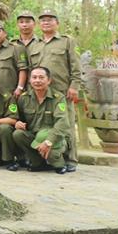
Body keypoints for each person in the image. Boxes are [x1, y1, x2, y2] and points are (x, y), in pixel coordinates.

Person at [33, 9, 82, 173]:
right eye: (43, 20)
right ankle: (50, 156)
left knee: (66, 123)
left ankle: (71, 159)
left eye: (50, 19)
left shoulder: (66, 41)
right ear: (39, 24)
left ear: (57, 23)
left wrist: (74, 86)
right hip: (40, 93)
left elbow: (76, 66)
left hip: (62, 91)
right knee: (44, 124)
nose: (46, 22)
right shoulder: (35, 44)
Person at [13, 67, 70, 173]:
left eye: (41, 77)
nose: (37, 80)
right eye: (34, 77)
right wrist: (17, 123)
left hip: (53, 137)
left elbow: (62, 122)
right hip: (34, 137)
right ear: (30, 80)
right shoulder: (24, 98)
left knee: (52, 154)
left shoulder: (58, 98)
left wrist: (49, 141)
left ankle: (59, 164)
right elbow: (18, 118)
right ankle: (37, 162)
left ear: (49, 80)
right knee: (18, 134)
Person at [0, 20, 28, 96]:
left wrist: (19, 88)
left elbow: (23, 69)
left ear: (5, 33)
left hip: (11, 94)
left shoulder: (16, 48)